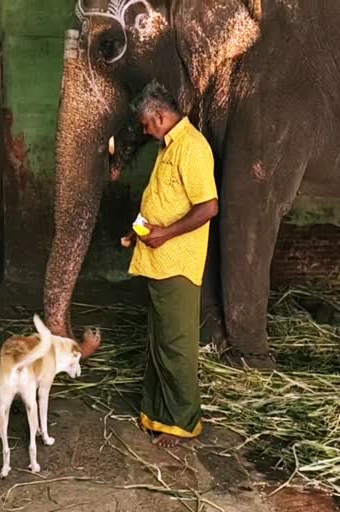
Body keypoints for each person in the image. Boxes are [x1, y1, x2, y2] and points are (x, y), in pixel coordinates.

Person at [120, 81, 219, 448]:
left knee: (177, 345)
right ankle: (158, 416)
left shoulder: (192, 148)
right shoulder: (168, 147)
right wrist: (139, 231)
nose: (145, 131)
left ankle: (182, 425)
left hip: (178, 263)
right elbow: (164, 199)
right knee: (160, 342)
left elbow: (209, 207)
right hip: (158, 261)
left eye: (146, 124)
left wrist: (166, 234)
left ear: (160, 116)